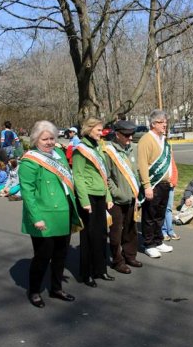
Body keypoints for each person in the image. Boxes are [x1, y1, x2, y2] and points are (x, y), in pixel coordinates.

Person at [19, 120, 81, 308]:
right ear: (36, 139)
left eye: (52, 138)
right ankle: (35, 291)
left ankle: (56, 289)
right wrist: (36, 218)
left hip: (63, 212)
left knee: (61, 255)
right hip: (43, 216)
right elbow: (27, 192)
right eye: (44, 139)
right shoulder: (30, 161)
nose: (49, 142)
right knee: (42, 256)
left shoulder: (60, 154)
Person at [73, 118, 114, 288]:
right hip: (88, 197)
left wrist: (109, 197)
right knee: (89, 236)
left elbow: (104, 176)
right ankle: (87, 273)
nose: (101, 132)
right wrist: (84, 200)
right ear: (89, 130)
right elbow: (78, 176)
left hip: (100, 195)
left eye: (101, 130)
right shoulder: (80, 150)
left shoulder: (98, 147)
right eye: (98, 130)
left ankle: (100, 269)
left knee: (102, 234)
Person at [104, 120, 142, 274]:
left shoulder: (133, 148)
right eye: (127, 135)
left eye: (132, 134)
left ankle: (130, 256)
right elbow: (106, 177)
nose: (130, 138)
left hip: (133, 197)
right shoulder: (109, 151)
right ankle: (117, 260)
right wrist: (116, 193)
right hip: (117, 200)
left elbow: (136, 172)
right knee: (116, 232)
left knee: (131, 229)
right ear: (117, 134)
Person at [137, 109, 173, 258]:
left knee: (160, 215)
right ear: (153, 124)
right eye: (161, 122)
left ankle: (158, 241)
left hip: (164, 184)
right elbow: (143, 164)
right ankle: (149, 244)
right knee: (150, 216)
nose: (165, 125)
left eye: (165, 122)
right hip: (153, 184)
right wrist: (146, 186)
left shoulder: (163, 139)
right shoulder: (146, 139)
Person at [161, 147, 180, 241]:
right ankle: (163, 231)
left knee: (168, 209)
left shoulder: (170, 154)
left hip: (170, 185)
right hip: (161, 185)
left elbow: (175, 170)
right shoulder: (159, 157)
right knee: (162, 208)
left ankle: (170, 231)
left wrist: (173, 182)